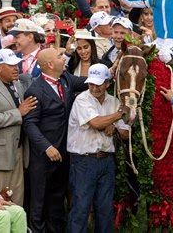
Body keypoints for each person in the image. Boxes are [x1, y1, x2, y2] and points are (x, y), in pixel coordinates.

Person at [23, 47, 87, 232]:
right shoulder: (35, 90)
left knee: (57, 199)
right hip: (44, 157)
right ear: (50, 64)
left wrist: (112, 70)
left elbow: (88, 81)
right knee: (39, 201)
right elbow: (30, 125)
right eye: (60, 56)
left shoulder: (66, 79)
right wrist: (47, 147)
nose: (64, 58)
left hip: (64, 153)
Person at [67, 63, 129, 232]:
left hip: (106, 160)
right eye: (91, 84)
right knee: (81, 207)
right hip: (84, 161)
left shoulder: (114, 101)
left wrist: (115, 127)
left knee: (105, 209)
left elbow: (126, 133)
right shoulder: (82, 99)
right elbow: (95, 123)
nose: (94, 87)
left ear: (107, 84)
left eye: (98, 84)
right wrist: (117, 115)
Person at [0, 49, 36, 206]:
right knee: (1, 201)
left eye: (16, 64)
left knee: (18, 200)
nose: (15, 68)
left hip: (19, 150)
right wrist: (18, 112)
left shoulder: (18, 84)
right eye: (10, 65)